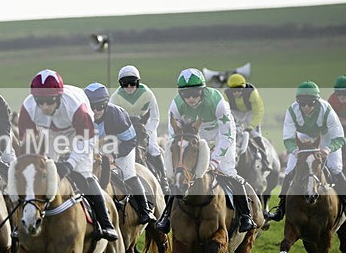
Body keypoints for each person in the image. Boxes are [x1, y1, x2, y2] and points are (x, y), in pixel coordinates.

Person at [16, 69, 118, 241]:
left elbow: (86, 141)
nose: (44, 107)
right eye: (40, 102)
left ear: (59, 97)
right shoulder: (28, 107)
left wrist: (69, 164)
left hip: (78, 133)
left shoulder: (76, 106)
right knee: (35, 175)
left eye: (50, 101)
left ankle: (105, 222)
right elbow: (29, 145)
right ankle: (23, 221)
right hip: (49, 132)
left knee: (83, 174)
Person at [156, 68, 255, 233]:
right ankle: (166, 216)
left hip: (221, 135)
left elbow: (227, 135)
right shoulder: (176, 105)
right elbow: (174, 138)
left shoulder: (217, 101)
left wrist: (215, 160)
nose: (190, 98)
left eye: (195, 93)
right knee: (180, 175)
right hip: (196, 135)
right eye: (186, 94)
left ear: (202, 90)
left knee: (227, 171)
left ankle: (246, 216)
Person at [267, 81, 346, 222]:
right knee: (290, 169)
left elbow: (338, 137)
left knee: (335, 168)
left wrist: (328, 149)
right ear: (298, 103)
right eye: (303, 104)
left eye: (310, 104)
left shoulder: (326, 109)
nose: (306, 107)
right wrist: (295, 151)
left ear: (317, 102)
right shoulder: (292, 111)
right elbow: (288, 138)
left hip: (326, 137)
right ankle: (280, 209)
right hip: (304, 137)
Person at [84, 82, 155, 225]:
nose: (95, 111)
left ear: (106, 104)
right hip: (96, 147)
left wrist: (114, 155)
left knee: (128, 174)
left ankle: (145, 210)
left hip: (121, 145)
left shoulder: (117, 115)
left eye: (100, 106)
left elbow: (131, 141)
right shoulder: (81, 116)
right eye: (92, 107)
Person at [110, 65, 169, 192]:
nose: (129, 87)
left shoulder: (148, 94)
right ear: (120, 84)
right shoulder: (115, 98)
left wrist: (148, 133)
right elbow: (111, 120)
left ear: (138, 82)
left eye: (133, 83)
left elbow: (155, 118)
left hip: (145, 126)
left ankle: (164, 180)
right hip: (124, 127)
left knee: (152, 147)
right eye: (125, 84)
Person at [224, 73, 270, 170]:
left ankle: (265, 159)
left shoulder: (252, 93)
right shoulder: (226, 94)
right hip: (235, 112)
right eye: (233, 91)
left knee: (254, 134)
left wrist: (251, 126)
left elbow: (258, 111)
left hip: (251, 112)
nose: (236, 93)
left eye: (239, 90)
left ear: (244, 88)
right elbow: (225, 111)